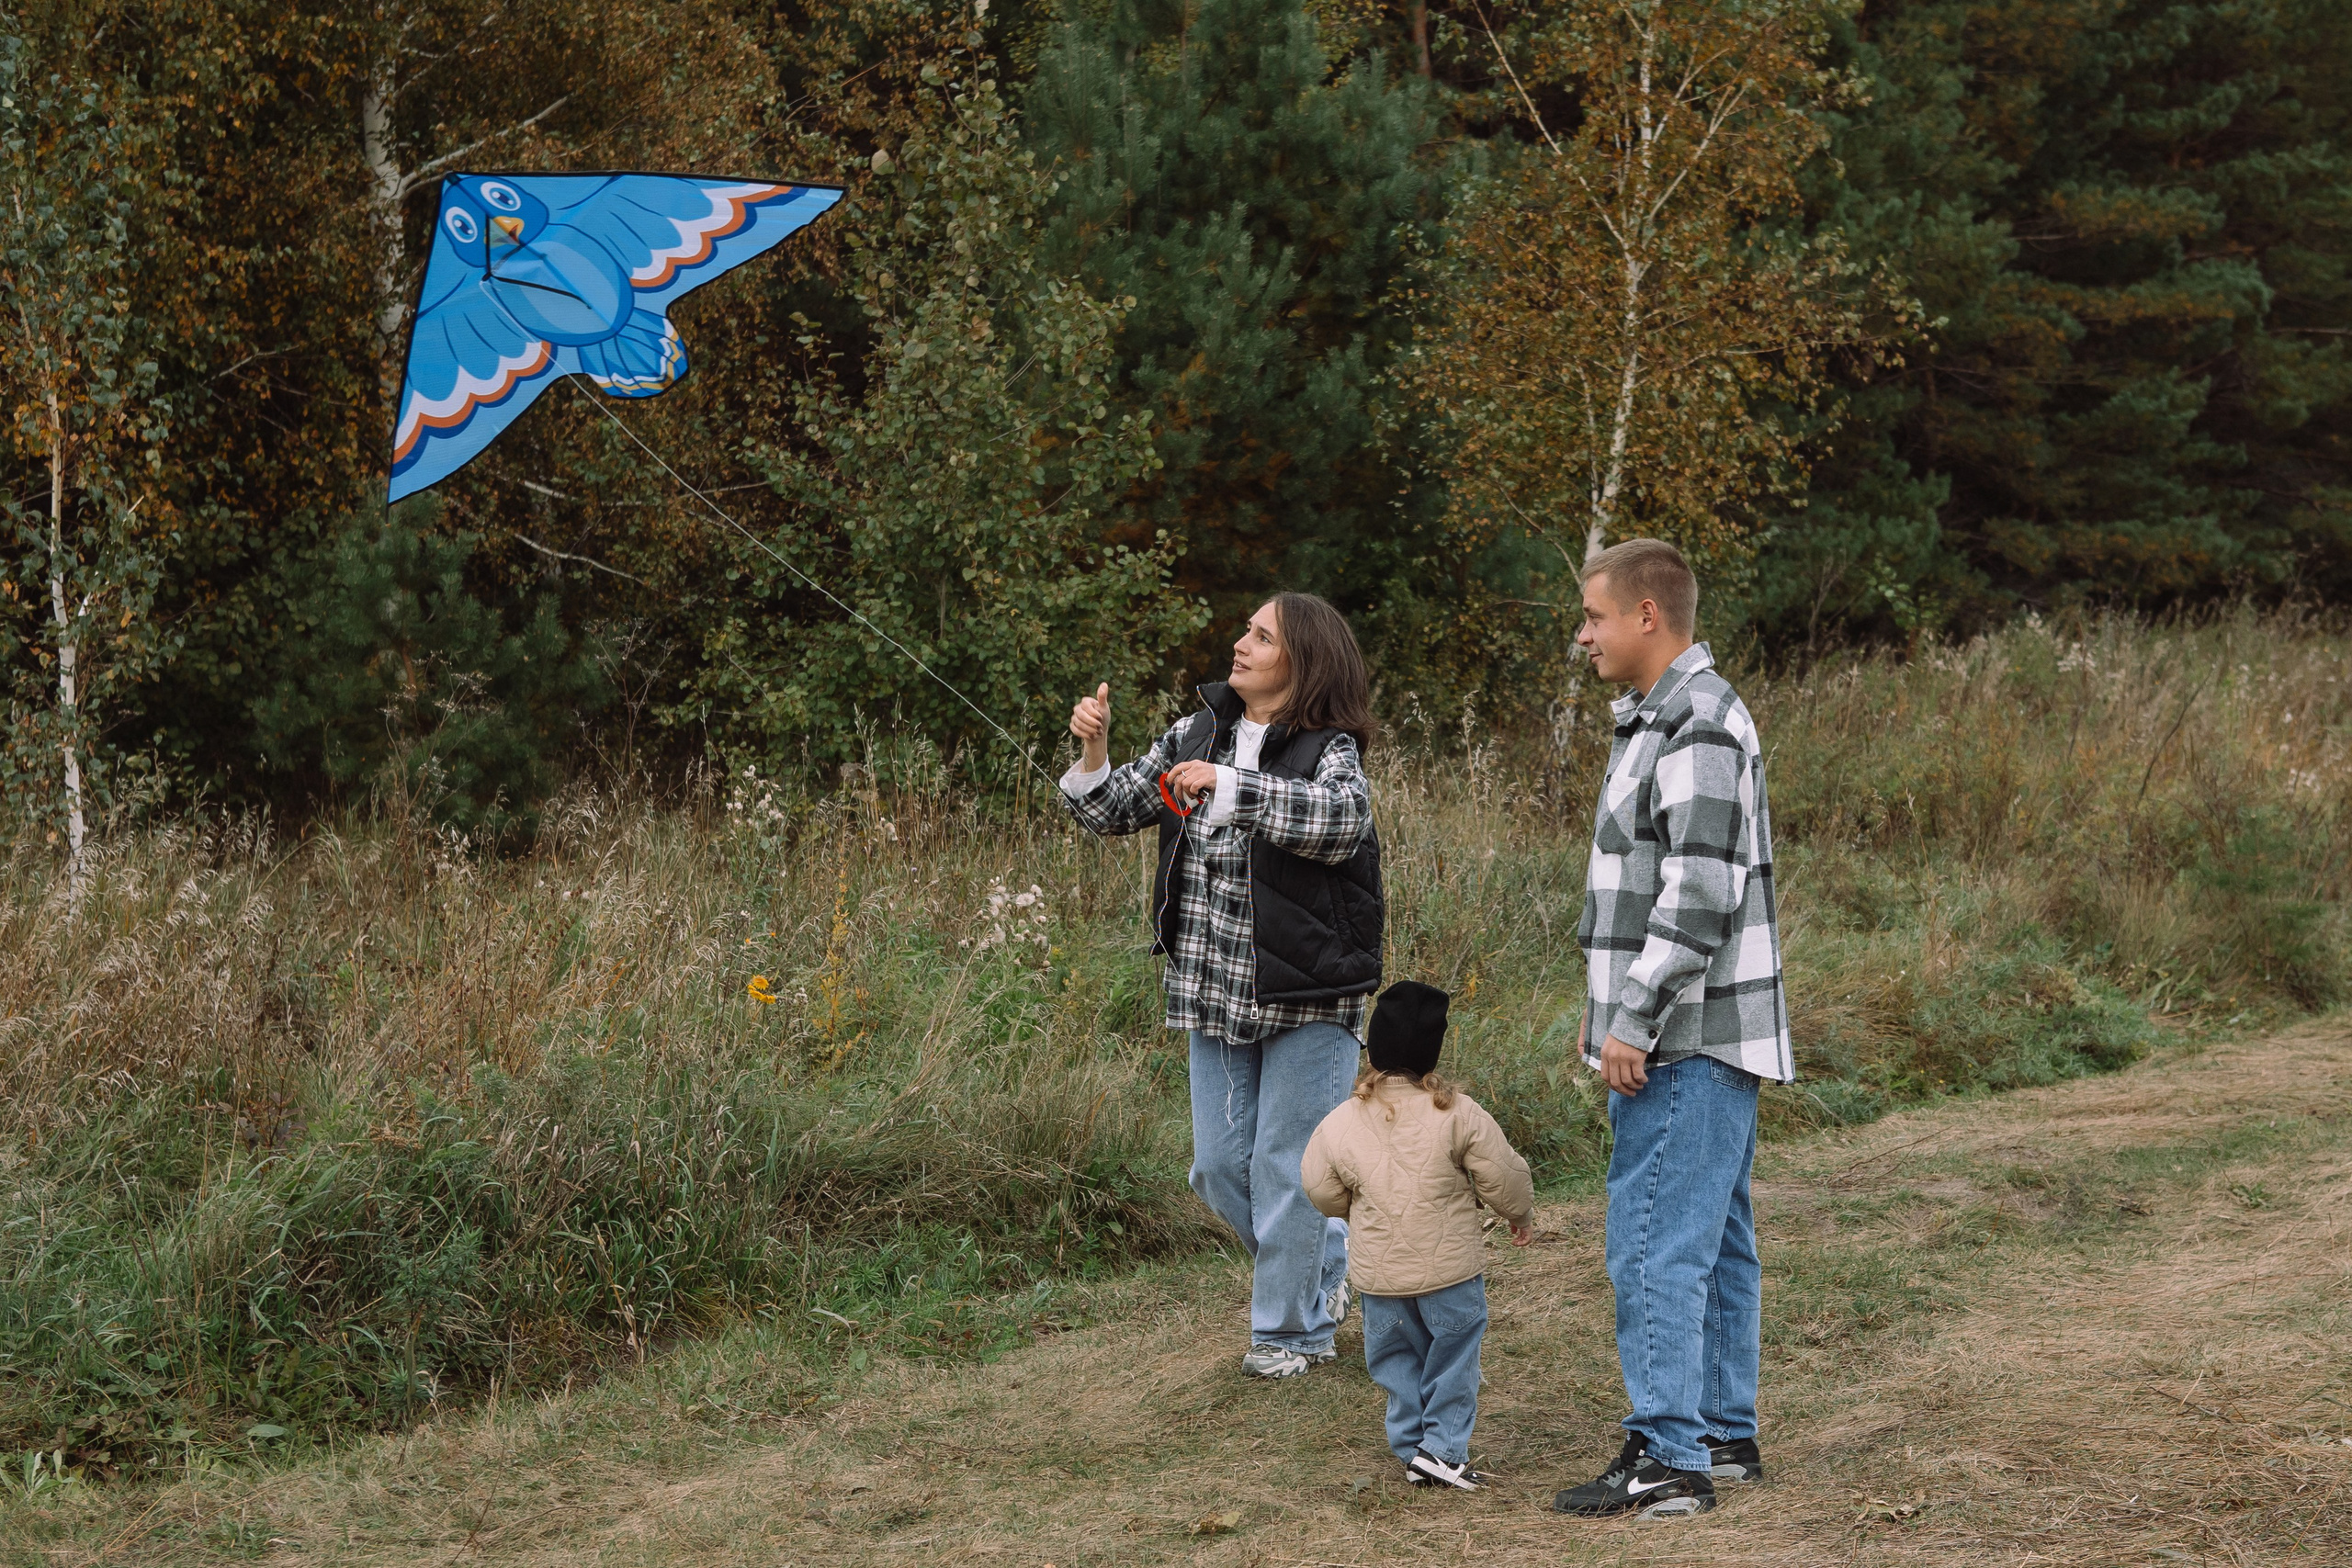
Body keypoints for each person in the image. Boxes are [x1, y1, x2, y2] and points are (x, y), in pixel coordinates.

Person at [1063, 593, 1384, 1379]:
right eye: (1246, 630)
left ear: (1302, 661)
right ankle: (1329, 1267)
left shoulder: (1329, 748)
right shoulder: (1193, 732)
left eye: (1261, 636)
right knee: (1215, 1167)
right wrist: (1094, 752)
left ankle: (1289, 1335)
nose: (1240, 643)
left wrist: (1233, 785)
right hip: (1213, 988)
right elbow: (1110, 809)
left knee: (1287, 1166)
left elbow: (1343, 819)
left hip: (1311, 991)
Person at [1552, 538, 1793, 1521]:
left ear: (1646, 615)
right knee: (1714, 1239)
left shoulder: (1695, 722)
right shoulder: (1666, 717)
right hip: (1693, 1033)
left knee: (1653, 1241)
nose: (1583, 635)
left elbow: (1696, 893)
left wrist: (1633, 1019)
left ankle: (1668, 1456)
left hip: (1685, 1035)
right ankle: (1720, 1435)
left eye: (1594, 616)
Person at [1301, 980, 1534, 1491]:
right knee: (1453, 1357)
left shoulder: (1339, 1122)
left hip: (1380, 1276)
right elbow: (1503, 1174)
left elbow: (1319, 1188)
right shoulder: (1458, 1111)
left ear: (1373, 1051)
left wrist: (1357, 1207)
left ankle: (1412, 1447)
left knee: (1395, 1360)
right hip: (1450, 1271)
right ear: (1433, 1053)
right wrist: (1519, 1214)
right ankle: (1443, 1450)